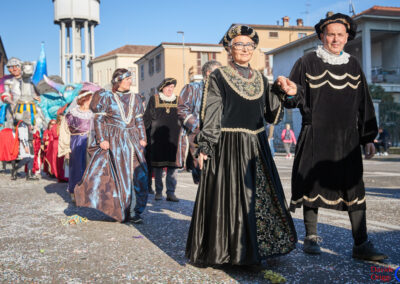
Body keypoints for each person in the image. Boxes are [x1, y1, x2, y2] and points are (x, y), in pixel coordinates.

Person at [186, 25, 297, 267]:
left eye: (249, 45)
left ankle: (256, 249)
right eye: (239, 44)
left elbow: (271, 114)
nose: (245, 49)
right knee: (231, 199)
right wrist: (205, 146)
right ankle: (230, 252)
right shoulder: (219, 76)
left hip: (257, 146)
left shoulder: (260, 77)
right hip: (228, 146)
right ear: (229, 48)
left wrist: (281, 91)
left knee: (257, 198)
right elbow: (212, 113)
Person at [284, 12, 387, 261]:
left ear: (347, 37)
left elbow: (364, 103)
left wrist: (368, 138)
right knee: (312, 184)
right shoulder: (307, 61)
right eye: (331, 34)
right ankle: (311, 237)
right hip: (315, 135)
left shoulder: (353, 64)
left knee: (354, 188)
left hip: (347, 140)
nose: (336, 39)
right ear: (322, 36)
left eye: (341, 35)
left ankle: (361, 244)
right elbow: (294, 98)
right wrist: (288, 91)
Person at [74, 69, 148, 224]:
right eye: (127, 78)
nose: (130, 81)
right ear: (118, 81)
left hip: (133, 140)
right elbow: (99, 120)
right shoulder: (106, 97)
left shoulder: (135, 97)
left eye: (130, 78)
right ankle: (119, 210)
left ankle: (134, 211)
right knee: (117, 176)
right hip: (115, 140)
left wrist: (142, 137)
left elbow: (139, 120)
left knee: (137, 174)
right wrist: (102, 139)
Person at [177, 60, 222, 184]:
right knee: (201, 169)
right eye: (219, 72)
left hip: (218, 134)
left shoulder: (222, 91)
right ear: (208, 73)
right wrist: (197, 124)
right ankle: (203, 200)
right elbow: (182, 109)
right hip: (198, 134)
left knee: (218, 172)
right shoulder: (192, 88)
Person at [144, 78, 187, 202]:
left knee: (173, 167)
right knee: (158, 167)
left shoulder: (178, 99)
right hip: (157, 138)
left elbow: (183, 116)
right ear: (162, 88)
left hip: (174, 138)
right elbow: (147, 118)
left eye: (172, 87)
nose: (170, 89)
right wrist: (144, 135)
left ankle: (171, 192)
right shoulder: (154, 99)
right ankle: (158, 192)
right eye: (168, 87)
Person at [58, 90, 94, 203]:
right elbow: (64, 132)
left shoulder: (93, 114)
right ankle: (74, 192)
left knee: (90, 168)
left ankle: (88, 193)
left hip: (90, 143)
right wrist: (66, 149)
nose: (92, 101)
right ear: (85, 99)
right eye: (90, 98)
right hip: (76, 142)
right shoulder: (71, 115)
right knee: (77, 168)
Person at [11, 111, 39, 181]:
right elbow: (22, 136)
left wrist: (34, 129)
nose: (30, 117)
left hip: (30, 143)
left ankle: (29, 175)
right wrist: (25, 146)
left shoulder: (28, 124)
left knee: (31, 158)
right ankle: (15, 169)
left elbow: (30, 134)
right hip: (25, 143)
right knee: (26, 158)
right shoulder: (22, 124)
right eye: (29, 116)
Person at [45, 114, 68, 181]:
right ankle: (63, 176)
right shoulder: (63, 127)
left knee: (56, 160)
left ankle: (58, 175)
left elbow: (51, 138)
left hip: (54, 144)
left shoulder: (54, 127)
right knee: (63, 160)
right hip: (61, 143)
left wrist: (50, 147)